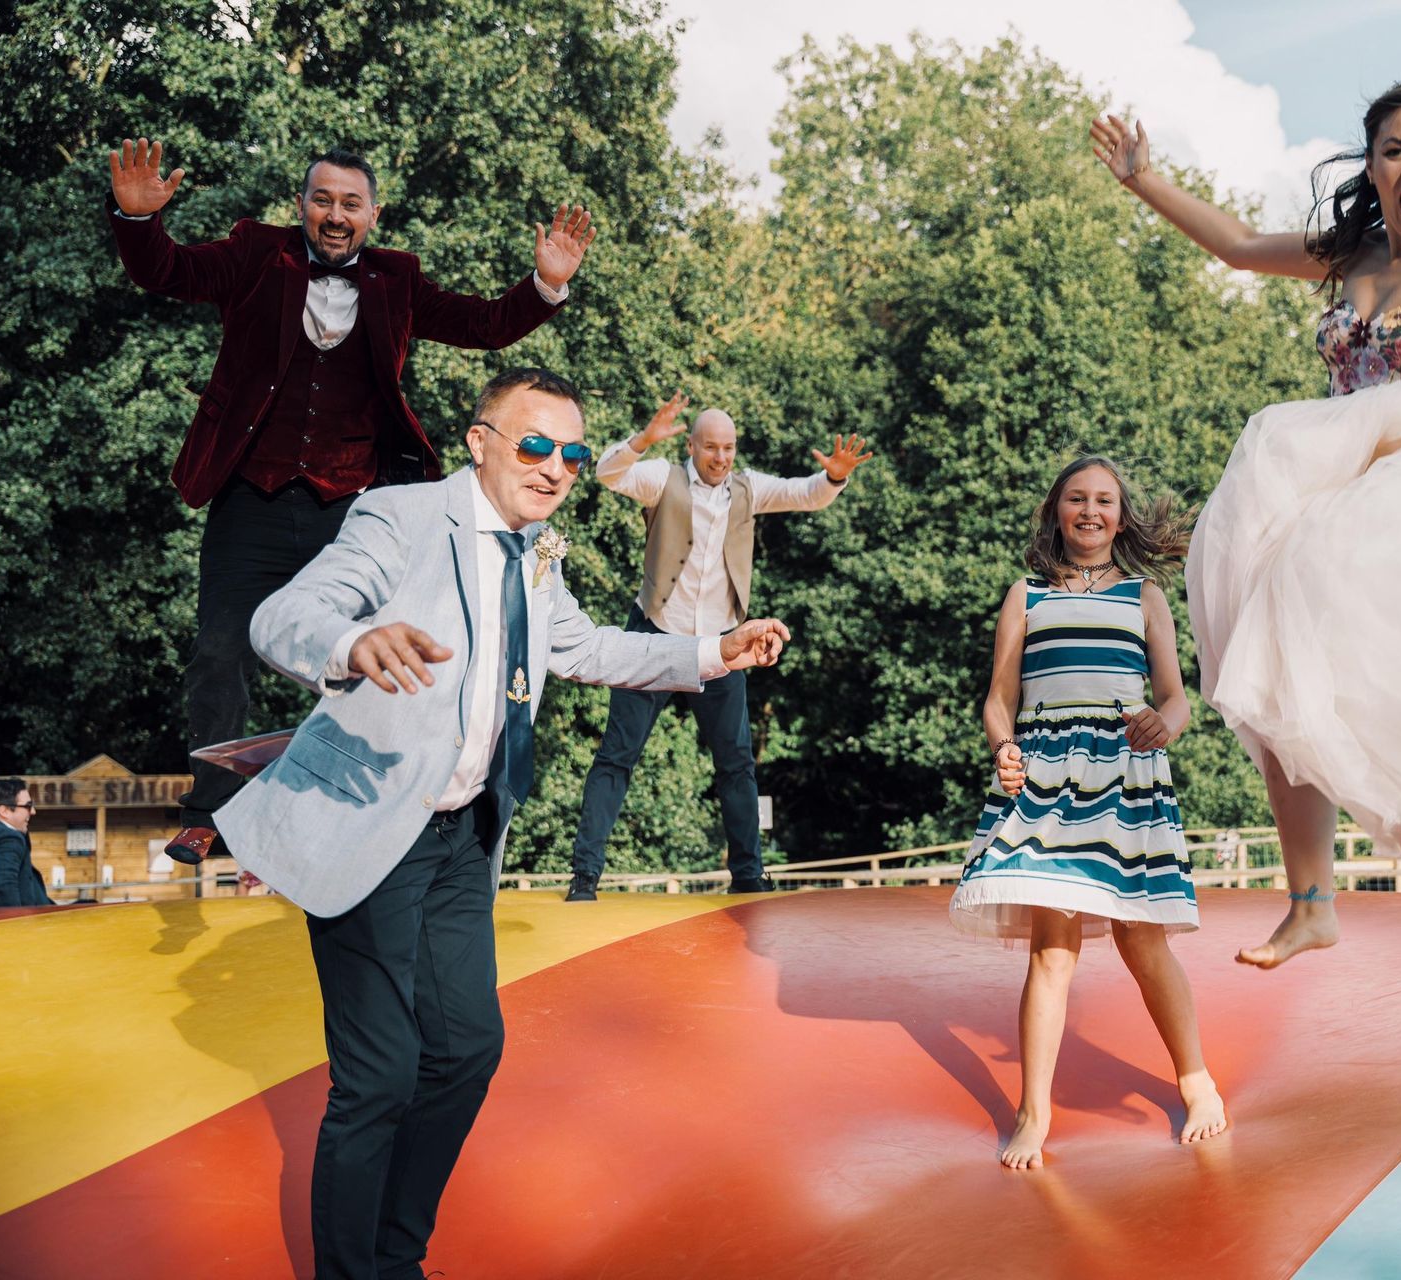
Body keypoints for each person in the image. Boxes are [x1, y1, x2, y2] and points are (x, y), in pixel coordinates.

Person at [215, 367, 791, 1279]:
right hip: (372, 823)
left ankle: (397, 1259)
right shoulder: (398, 518)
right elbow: (287, 613)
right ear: (479, 442)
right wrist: (350, 643)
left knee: (468, 1050)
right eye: (534, 445)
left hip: (461, 835)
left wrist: (709, 653)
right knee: (378, 1077)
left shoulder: (537, 551)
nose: (557, 467)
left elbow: (585, 648)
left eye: (569, 452)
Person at [1091, 78, 1401, 1018]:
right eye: (1396, 151)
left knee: (1384, 679)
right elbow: (1240, 248)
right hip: (1340, 480)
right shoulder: (1355, 252)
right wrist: (1142, 183)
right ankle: (1313, 901)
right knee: (1266, 653)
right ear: (1371, 166)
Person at [107, 138, 597, 865]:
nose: (336, 216)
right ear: (302, 205)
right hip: (252, 495)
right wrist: (138, 220)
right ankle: (207, 810)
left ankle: (356, 803)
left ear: (374, 213)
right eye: (323, 200)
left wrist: (545, 285)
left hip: (352, 505)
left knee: (375, 655)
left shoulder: (397, 279)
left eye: (351, 204)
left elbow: (482, 326)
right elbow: (168, 271)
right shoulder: (254, 254)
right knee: (220, 651)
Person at [949, 455, 1226, 1169]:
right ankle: (1033, 1112)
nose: (1091, 511)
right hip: (1045, 777)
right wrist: (1003, 746)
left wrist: (1168, 724)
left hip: (1122, 773)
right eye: (1077, 498)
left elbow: (1176, 697)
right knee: (1053, 947)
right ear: (1057, 510)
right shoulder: (1027, 595)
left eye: (1104, 500)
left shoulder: (1145, 597)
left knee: (1141, 940)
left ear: (1121, 515)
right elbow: (998, 697)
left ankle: (1197, 1081)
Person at [564, 396, 874, 899]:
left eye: (729, 448)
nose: (721, 457)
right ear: (692, 446)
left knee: (737, 764)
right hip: (653, 634)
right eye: (712, 447)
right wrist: (643, 439)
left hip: (723, 646)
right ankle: (584, 877)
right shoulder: (662, 477)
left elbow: (807, 494)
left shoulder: (749, 488)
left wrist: (835, 476)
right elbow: (608, 473)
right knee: (617, 756)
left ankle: (749, 878)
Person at [0, 779, 51, 908]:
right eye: (28, 806)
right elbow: (3, 887)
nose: (33, 811)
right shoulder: (8, 837)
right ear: (4, 811)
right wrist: (16, 924)